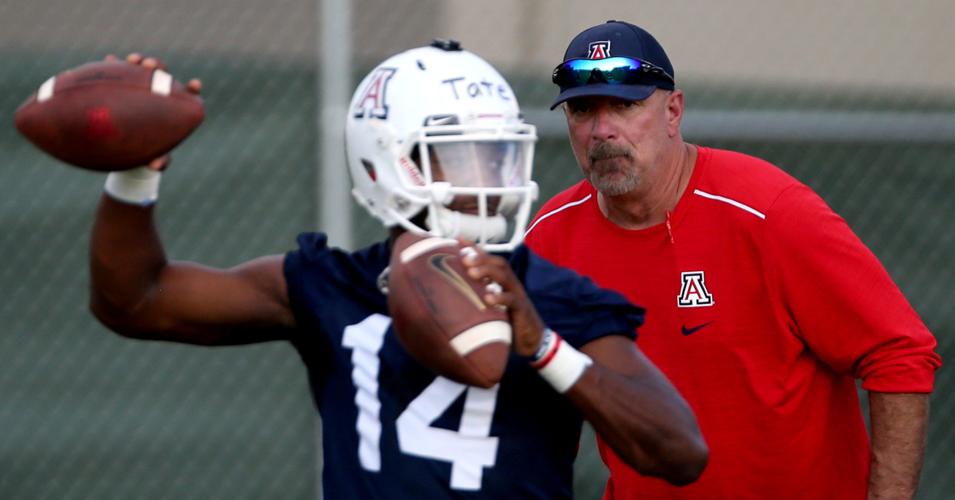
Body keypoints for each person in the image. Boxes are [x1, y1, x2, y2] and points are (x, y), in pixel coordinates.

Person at [86, 41, 708, 498]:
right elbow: (136, 299)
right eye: (461, 159)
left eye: (497, 158)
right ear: (389, 162)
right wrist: (135, 173)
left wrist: (543, 344)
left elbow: (679, 452)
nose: (487, 182)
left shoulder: (551, 297)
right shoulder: (332, 285)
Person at [523, 19, 943, 500]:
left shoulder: (769, 210)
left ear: (673, 111)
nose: (602, 130)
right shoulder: (550, 237)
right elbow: (541, 417)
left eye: (625, 104)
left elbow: (899, 353)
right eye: (582, 109)